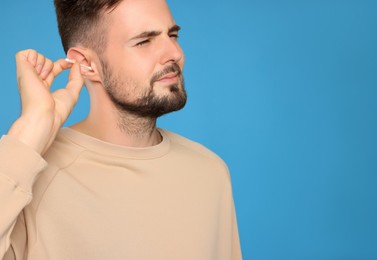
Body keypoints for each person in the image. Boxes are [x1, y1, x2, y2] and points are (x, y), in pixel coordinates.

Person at [0, 0, 242, 259]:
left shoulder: (210, 172)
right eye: (144, 41)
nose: (174, 52)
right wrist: (30, 129)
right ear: (87, 64)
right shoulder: (28, 177)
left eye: (173, 35)